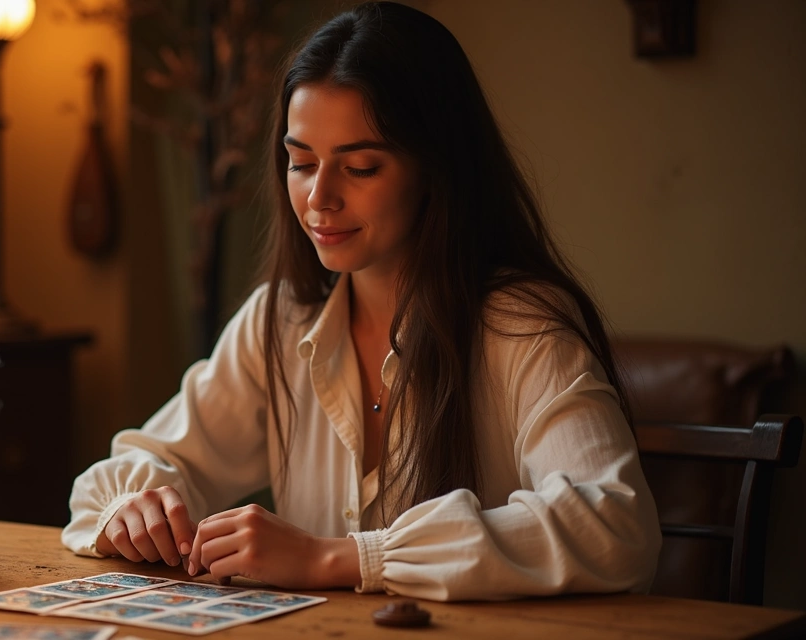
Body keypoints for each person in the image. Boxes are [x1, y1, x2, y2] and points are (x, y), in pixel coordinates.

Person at [62, 2, 661, 601]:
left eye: (361, 167)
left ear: (436, 168)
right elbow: (123, 475)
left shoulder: (520, 324)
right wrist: (134, 508)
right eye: (301, 163)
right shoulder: (281, 320)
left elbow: (613, 524)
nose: (319, 198)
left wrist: (336, 559)